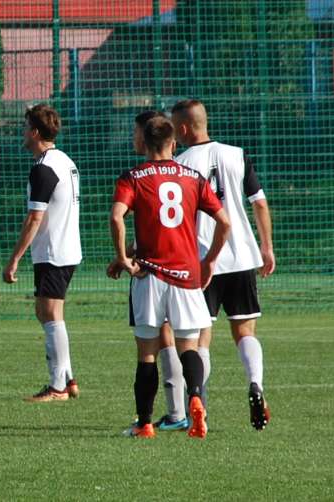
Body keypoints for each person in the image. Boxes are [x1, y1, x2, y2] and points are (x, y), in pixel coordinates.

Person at [107, 115, 231, 439]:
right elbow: (225, 222)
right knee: (189, 346)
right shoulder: (192, 177)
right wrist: (210, 261)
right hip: (187, 275)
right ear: (173, 143)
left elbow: (117, 216)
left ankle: (145, 424)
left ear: (144, 143)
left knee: (147, 352)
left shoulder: (133, 177)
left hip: (149, 276)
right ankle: (194, 399)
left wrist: (123, 257)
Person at [171, 99, 275, 430]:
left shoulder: (181, 164)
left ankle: (198, 401)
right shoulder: (237, 154)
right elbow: (259, 203)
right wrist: (267, 247)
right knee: (244, 330)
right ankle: (255, 383)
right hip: (242, 255)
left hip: (203, 262)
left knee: (201, 337)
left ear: (184, 128)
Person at [2, 104, 81, 402]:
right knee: (49, 312)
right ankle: (68, 379)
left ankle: (57, 386)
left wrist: (14, 259)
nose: (22, 133)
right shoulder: (65, 160)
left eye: (25, 128)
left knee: (49, 314)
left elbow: (35, 218)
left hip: (54, 250)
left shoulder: (44, 167)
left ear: (34, 132)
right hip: (65, 248)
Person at [131, 111, 188, 431]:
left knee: (157, 342)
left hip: (159, 270)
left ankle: (172, 412)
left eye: (136, 133)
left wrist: (126, 256)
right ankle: (182, 408)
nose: (133, 138)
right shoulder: (185, 174)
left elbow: (117, 217)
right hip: (181, 265)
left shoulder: (140, 175)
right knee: (182, 337)